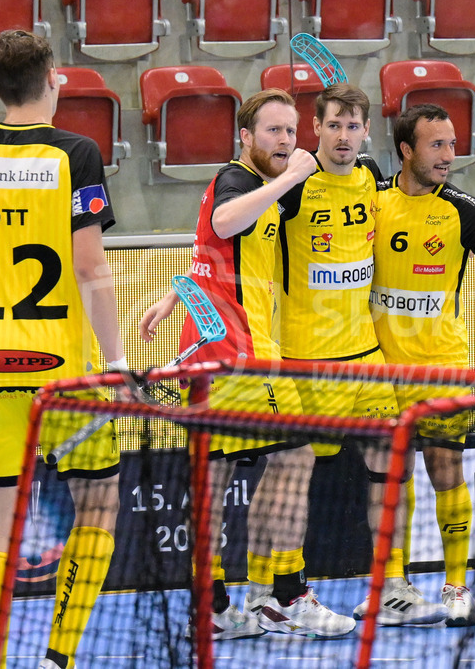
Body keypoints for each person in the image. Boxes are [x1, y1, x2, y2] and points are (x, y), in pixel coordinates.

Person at [139, 88, 356, 641]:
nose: (285, 141)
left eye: (290, 131)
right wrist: (289, 179)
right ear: (245, 138)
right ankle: (281, 595)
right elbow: (227, 220)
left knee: (225, 476)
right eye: (273, 132)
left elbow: (211, 251)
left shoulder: (257, 187)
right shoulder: (238, 179)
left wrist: (177, 293)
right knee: (294, 458)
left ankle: (219, 605)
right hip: (236, 356)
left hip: (229, 353)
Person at [0, 30, 127, 669]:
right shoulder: (74, 154)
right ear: (53, 77)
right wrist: (115, 365)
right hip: (63, 373)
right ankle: (59, 657)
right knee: (100, 503)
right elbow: (91, 270)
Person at [276, 84, 448, 626]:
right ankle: (285, 592)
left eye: (353, 126)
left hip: (365, 354)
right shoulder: (293, 187)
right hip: (304, 359)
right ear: (317, 130)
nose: (344, 136)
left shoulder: (373, 177)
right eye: (334, 126)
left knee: (389, 467)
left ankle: (390, 587)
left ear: (365, 132)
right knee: (291, 476)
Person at [371, 104, 475, 626]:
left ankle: (456, 586)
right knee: (389, 475)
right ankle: (395, 585)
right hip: (378, 364)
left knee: (444, 469)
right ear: (406, 151)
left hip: (441, 362)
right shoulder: (371, 199)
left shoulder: (464, 209)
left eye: (452, 144)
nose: (448, 155)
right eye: (436, 145)